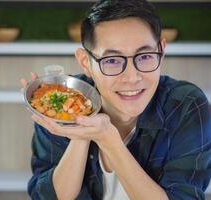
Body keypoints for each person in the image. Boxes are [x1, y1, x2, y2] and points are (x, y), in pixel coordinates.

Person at [22, 0, 211, 199]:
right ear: (85, 62)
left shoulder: (185, 105)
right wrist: (80, 134)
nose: (132, 77)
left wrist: (109, 141)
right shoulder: (64, 100)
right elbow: (49, 196)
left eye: (145, 56)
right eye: (112, 60)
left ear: (161, 52)